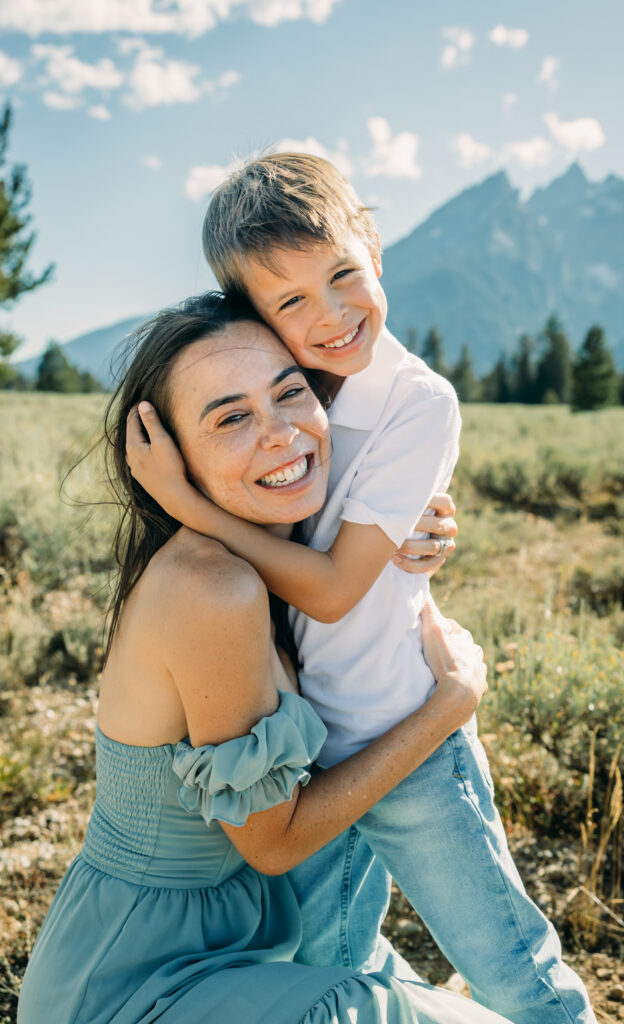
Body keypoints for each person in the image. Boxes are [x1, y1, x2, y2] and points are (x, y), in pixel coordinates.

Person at [126, 154, 596, 1024]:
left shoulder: (415, 400)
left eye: (342, 273)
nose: (330, 315)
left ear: (374, 245)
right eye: (289, 301)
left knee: (507, 961)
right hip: (304, 754)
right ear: (252, 314)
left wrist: (186, 503)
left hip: (402, 738)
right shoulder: (282, 388)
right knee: (326, 963)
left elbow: (337, 590)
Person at [18, 294, 511, 1024]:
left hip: (239, 951)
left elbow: (344, 588)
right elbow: (274, 843)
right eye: (231, 418)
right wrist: (449, 705)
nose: (282, 434)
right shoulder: (210, 589)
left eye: (289, 392)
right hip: (138, 984)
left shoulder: (279, 549)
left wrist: (409, 525)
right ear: (171, 462)